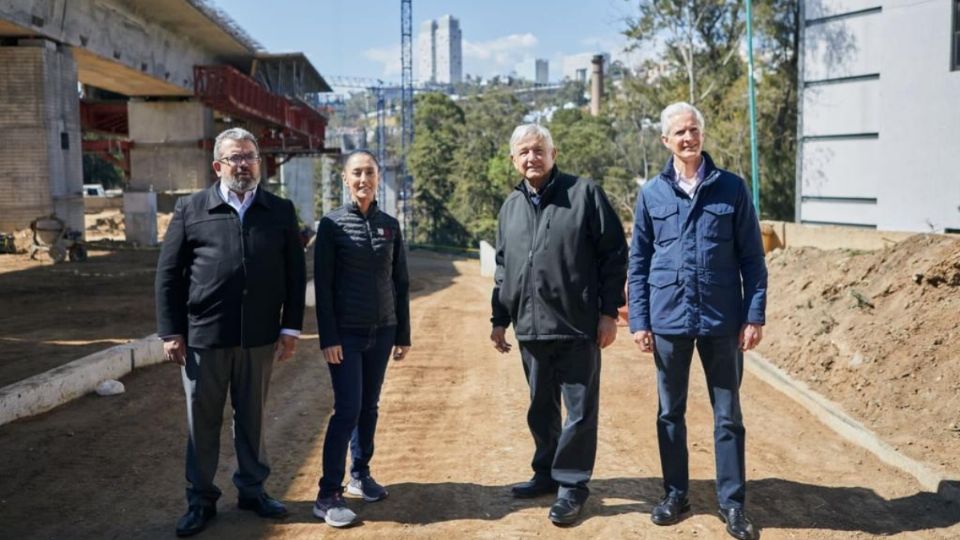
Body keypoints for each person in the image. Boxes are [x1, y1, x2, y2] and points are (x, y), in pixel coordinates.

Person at [155, 127, 306, 537]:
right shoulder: (191, 209)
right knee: (202, 423)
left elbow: (296, 275)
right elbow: (168, 276)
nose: (244, 164)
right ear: (218, 165)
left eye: (250, 157)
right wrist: (171, 331)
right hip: (204, 338)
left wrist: (290, 327)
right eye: (235, 158)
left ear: (260, 163)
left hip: (259, 338)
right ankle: (201, 500)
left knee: (252, 420)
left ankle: (253, 491)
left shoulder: (279, 210)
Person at [627, 102, 767, 540]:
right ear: (666, 141)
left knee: (728, 417)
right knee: (670, 413)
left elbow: (753, 260)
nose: (688, 138)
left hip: (722, 321)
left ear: (701, 135)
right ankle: (675, 494)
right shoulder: (651, 194)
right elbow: (639, 262)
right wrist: (640, 321)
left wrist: (754, 315)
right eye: (679, 133)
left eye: (694, 130)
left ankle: (733, 505)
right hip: (669, 320)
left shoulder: (732, 189)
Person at [490, 124, 627, 526]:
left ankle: (572, 486)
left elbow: (613, 255)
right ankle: (546, 472)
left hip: (577, 325)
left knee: (580, 410)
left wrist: (608, 313)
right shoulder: (510, 207)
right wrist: (499, 319)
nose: (531, 157)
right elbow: (503, 267)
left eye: (538, 150)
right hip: (530, 327)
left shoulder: (584, 195)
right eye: (524, 152)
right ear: (513, 159)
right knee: (540, 407)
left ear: (554, 153)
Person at [311, 150, 411, 528]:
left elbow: (400, 283)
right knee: (347, 408)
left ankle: (360, 475)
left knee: (369, 406)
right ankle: (327, 494)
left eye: (370, 172)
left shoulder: (390, 225)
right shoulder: (332, 225)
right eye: (356, 173)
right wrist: (329, 338)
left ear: (377, 176)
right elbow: (323, 287)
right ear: (345, 179)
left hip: (382, 331)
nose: (363, 179)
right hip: (346, 336)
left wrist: (402, 333)